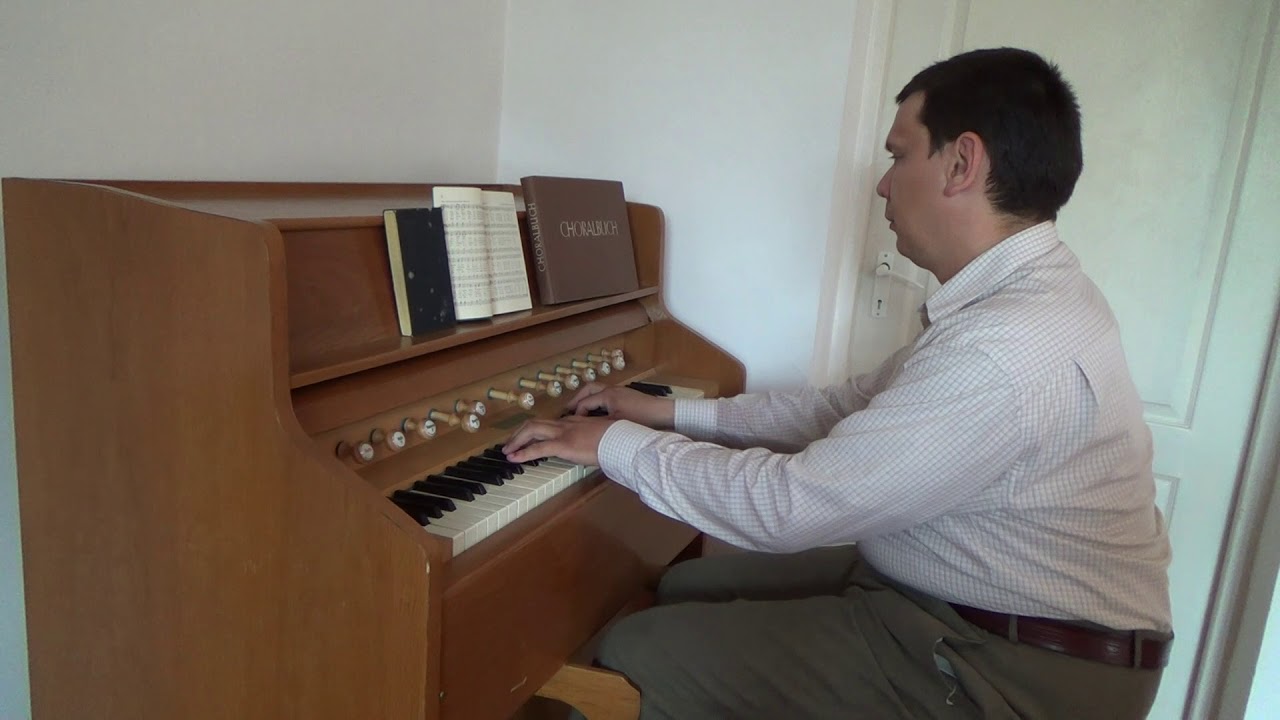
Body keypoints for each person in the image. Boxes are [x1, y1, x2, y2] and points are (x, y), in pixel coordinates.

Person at [504, 47, 1172, 720]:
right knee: (684, 583)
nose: (882, 185)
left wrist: (611, 443)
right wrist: (669, 414)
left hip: (1017, 671)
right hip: (966, 607)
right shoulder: (1017, 298)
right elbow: (842, 407)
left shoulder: (1004, 348)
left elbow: (790, 508)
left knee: (635, 649)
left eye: (899, 155)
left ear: (962, 163)